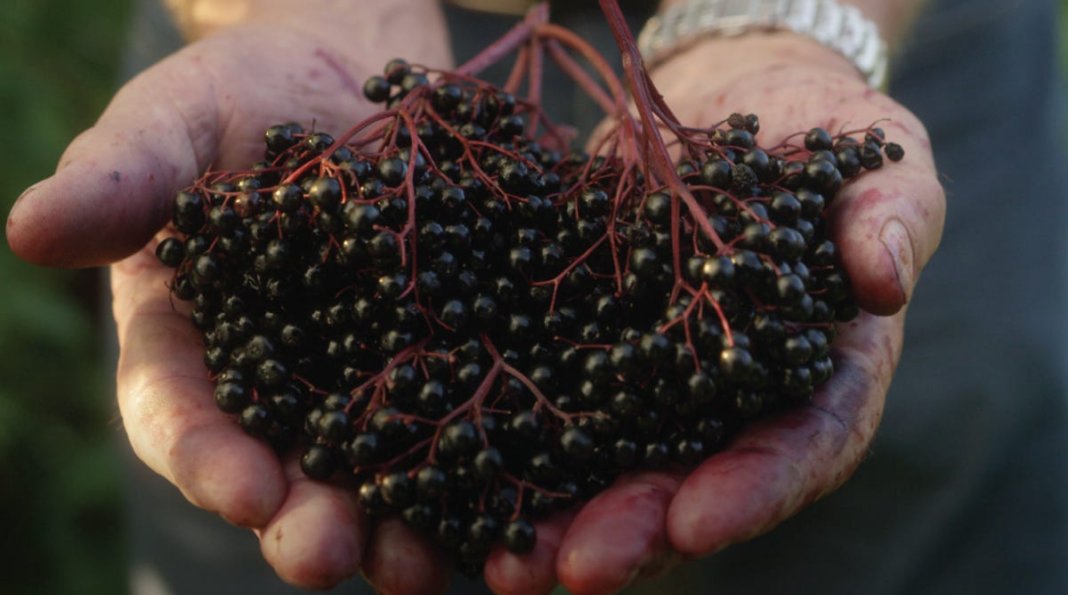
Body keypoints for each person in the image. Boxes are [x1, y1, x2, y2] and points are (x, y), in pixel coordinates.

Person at [6, 0, 1065, 594]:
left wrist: (800, 16)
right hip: (311, 38)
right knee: (258, 502)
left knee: (915, 492)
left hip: (878, 42)